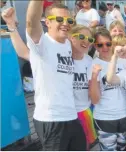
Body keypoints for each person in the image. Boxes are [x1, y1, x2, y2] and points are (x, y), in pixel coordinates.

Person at [25, 1, 86, 150]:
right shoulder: (42, 42)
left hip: (71, 116)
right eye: (59, 19)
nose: (65, 23)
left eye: (69, 20)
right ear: (48, 22)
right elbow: (31, 23)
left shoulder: (66, 44)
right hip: (51, 119)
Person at [89, 28, 126, 151]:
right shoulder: (92, 65)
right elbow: (95, 100)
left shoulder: (123, 62)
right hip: (105, 118)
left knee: (123, 149)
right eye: (100, 45)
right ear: (95, 46)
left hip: (124, 114)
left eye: (108, 44)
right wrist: (95, 75)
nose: (105, 48)